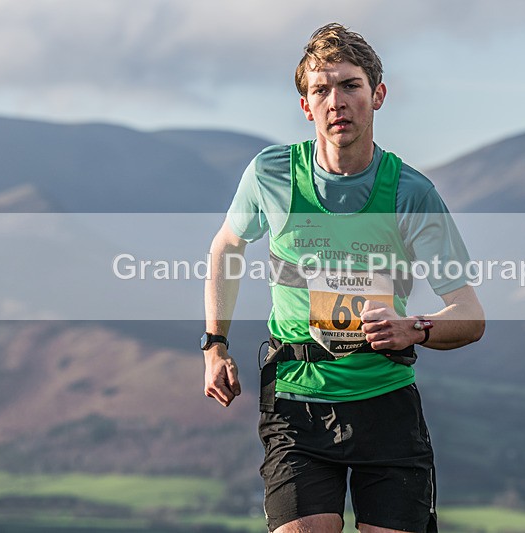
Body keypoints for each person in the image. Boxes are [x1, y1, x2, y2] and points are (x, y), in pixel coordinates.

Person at [202, 23, 485, 533]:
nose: (337, 101)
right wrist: (214, 344)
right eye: (320, 90)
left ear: (377, 95)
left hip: (386, 403)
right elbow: (226, 247)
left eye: (350, 85)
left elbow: (470, 315)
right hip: (297, 402)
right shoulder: (272, 175)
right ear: (306, 106)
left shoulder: (411, 194)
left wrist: (413, 328)